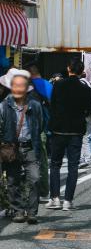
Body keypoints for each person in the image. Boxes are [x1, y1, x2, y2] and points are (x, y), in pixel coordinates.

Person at [47, 60, 91, 211]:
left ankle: (54, 198)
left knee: (55, 164)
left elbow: (52, 105)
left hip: (58, 129)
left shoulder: (58, 85)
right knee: (73, 166)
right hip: (76, 131)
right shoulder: (85, 88)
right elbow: (88, 108)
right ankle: (68, 201)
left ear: (68, 69)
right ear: (81, 71)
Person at [1, 70, 43, 224]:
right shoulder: (3, 106)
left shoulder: (35, 106)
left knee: (35, 178)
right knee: (13, 181)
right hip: (11, 149)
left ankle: (32, 212)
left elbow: (40, 126)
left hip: (30, 147)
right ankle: (18, 210)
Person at [26, 65, 51, 202]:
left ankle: (30, 192)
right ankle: (44, 191)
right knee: (41, 160)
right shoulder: (46, 84)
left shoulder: (28, 86)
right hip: (42, 127)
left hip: (27, 127)